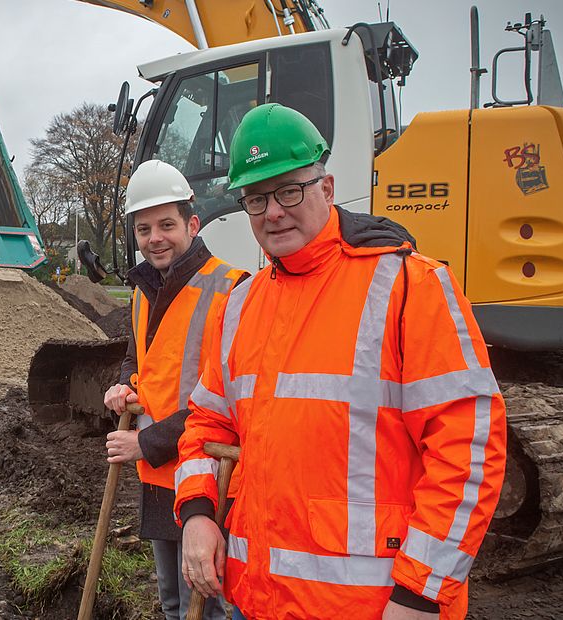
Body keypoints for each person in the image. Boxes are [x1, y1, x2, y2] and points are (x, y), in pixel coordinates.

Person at [174, 104, 506, 619]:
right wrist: (197, 513)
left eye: (289, 190)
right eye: (257, 198)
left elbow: (469, 450)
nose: (274, 212)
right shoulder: (240, 305)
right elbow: (207, 422)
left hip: (371, 606)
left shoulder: (409, 286)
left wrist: (420, 593)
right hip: (253, 600)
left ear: (327, 189)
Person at [103, 159, 248, 620]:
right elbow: (139, 361)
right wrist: (123, 388)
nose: (155, 238)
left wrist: (144, 442)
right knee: (171, 603)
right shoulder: (144, 289)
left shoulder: (232, 290)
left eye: (166, 224)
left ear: (192, 223)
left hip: (206, 476)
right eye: (144, 229)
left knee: (205, 607)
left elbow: (228, 400)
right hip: (159, 476)